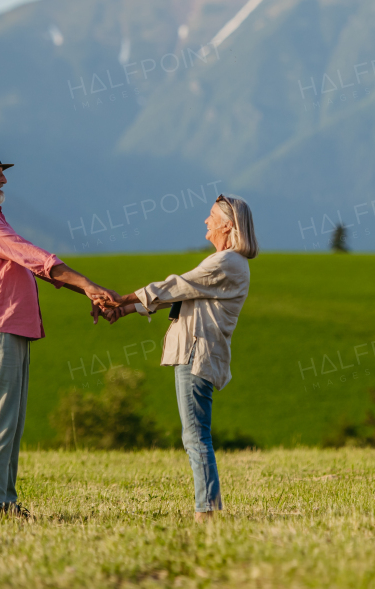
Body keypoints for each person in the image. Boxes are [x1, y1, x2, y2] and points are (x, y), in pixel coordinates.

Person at [0, 145, 116, 518]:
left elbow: (32, 264)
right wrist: (86, 284)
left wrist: (85, 289)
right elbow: (33, 257)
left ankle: (4, 501)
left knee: (10, 420)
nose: (4, 178)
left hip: (8, 327)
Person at [100, 194, 258, 522]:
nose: (206, 220)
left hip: (196, 355)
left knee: (195, 434)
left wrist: (121, 298)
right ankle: (207, 507)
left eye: (211, 216)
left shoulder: (226, 262)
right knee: (195, 432)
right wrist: (127, 309)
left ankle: (207, 510)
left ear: (227, 225)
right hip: (196, 354)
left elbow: (177, 285)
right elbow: (182, 295)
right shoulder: (228, 263)